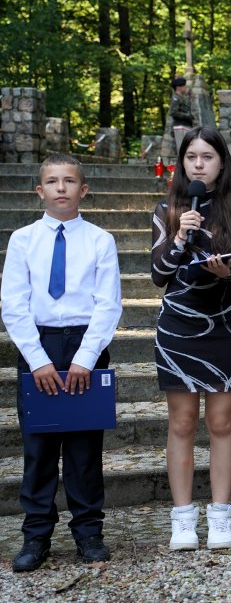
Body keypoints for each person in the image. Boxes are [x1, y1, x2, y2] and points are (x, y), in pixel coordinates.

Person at [2, 155, 122, 572]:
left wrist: (86, 359)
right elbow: (13, 303)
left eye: (69, 181)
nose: (61, 188)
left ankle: (88, 532)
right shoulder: (23, 240)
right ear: (40, 191)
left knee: (84, 448)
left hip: (85, 344)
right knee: (38, 447)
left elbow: (108, 304)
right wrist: (37, 361)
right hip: (40, 344)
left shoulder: (100, 240)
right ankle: (36, 535)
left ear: (82, 190)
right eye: (52, 181)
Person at [152, 127, 231, 550]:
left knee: (221, 423)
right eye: (191, 157)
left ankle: (220, 517)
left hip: (224, 328)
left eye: (207, 157)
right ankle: (182, 520)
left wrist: (226, 273)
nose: (198, 164)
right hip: (178, 328)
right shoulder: (167, 210)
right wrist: (179, 236)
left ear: (221, 163)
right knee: (181, 424)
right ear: (182, 163)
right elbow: (158, 274)